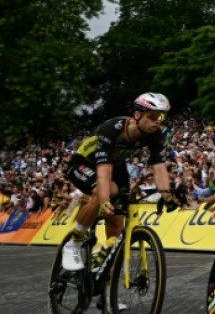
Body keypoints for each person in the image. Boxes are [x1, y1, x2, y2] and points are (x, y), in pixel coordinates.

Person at [61, 93, 181, 272]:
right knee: (105, 191)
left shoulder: (154, 134)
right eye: (154, 116)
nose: (158, 122)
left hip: (116, 165)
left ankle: (106, 288)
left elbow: (158, 165)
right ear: (137, 115)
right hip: (85, 163)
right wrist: (104, 200)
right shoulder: (113, 129)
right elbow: (103, 169)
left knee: (118, 219)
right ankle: (73, 243)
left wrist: (167, 195)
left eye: (162, 117)